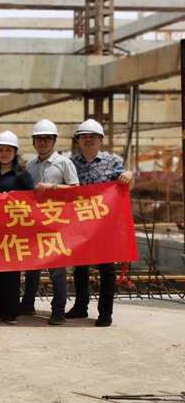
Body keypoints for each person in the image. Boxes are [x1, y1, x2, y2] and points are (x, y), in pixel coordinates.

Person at [68, 119, 134, 327]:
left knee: (107, 269)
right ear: (78, 140)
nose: (88, 140)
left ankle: (105, 312)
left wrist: (129, 174)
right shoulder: (70, 164)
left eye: (92, 137)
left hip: (105, 226)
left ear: (100, 140)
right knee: (80, 268)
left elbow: (127, 185)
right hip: (79, 224)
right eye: (84, 137)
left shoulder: (112, 163)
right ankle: (80, 306)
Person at [20, 119, 80, 325]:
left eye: (47, 138)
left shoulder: (64, 163)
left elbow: (75, 190)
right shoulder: (30, 165)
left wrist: (52, 187)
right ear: (33, 141)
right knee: (32, 266)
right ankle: (27, 303)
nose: (43, 142)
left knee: (57, 270)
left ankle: (58, 309)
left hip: (57, 224)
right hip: (35, 223)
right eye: (39, 138)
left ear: (54, 140)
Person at [0, 131, 35, 324]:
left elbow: (31, 203)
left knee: (12, 271)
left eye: (8, 150)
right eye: (1, 150)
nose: (4, 154)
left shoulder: (23, 176)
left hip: (15, 230)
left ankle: (12, 311)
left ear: (15, 152)